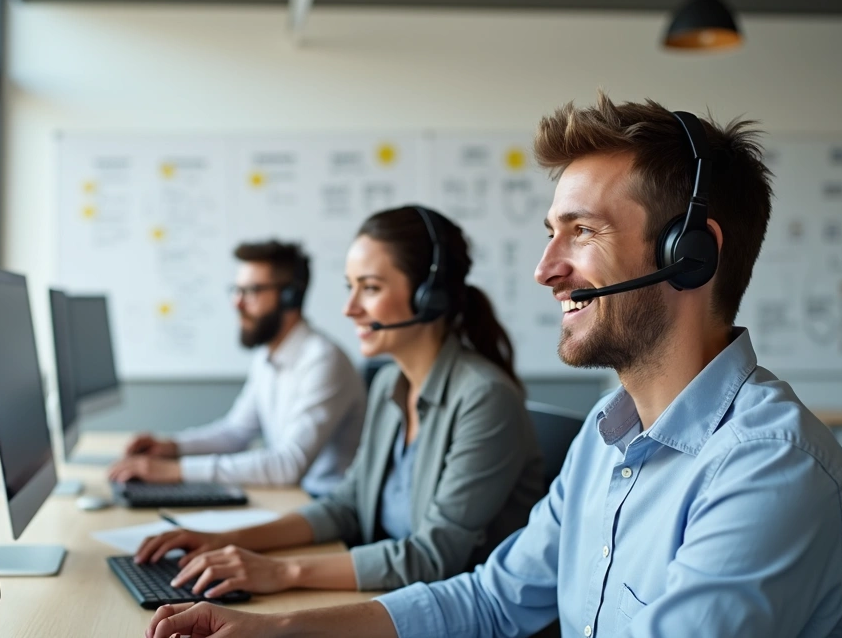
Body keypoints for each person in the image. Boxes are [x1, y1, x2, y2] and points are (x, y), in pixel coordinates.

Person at [143, 94, 842, 638]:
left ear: (690, 255)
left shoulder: (766, 467)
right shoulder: (608, 432)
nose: (544, 269)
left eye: (582, 232)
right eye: (551, 233)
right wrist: (280, 630)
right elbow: (493, 599)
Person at [132, 205, 546, 598]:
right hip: (393, 594)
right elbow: (346, 505)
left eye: (370, 288)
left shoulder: (484, 399)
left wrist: (282, 572)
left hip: (456, 614)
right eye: (351, 288)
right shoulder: (390, 385)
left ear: (428, 296)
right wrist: (226, 541)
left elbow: (432, 557)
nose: (349, 309)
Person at [108, 241, 365, 498]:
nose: (237, 303)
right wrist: (171, 448)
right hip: (294, 497)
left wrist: (176, 471)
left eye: (251, 291)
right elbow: (236, 433)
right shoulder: (268, 356)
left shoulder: (323, 360)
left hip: (325, 502)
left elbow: (288, 465)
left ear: (290, 297)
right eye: (236, 290)